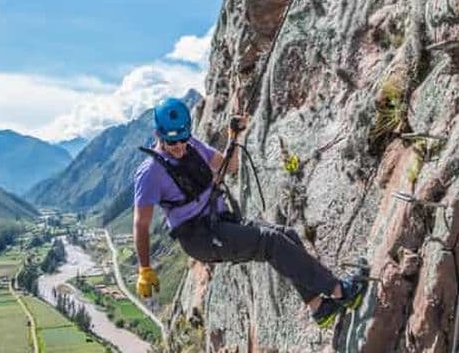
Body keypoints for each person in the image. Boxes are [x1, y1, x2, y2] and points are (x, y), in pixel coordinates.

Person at [132, 97, 368, 328]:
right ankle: (340, 291)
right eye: (172, 143)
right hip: (199, 238)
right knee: (271, 243)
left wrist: (234, 138)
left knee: (287, 235)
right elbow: (141, 224)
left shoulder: (193, 146)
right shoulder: (150, 173)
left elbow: (230, 166)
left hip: (218, 221)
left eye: (183, 139)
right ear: (159, 134)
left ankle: (319, 308)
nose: (179, 147)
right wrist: (144, 268)